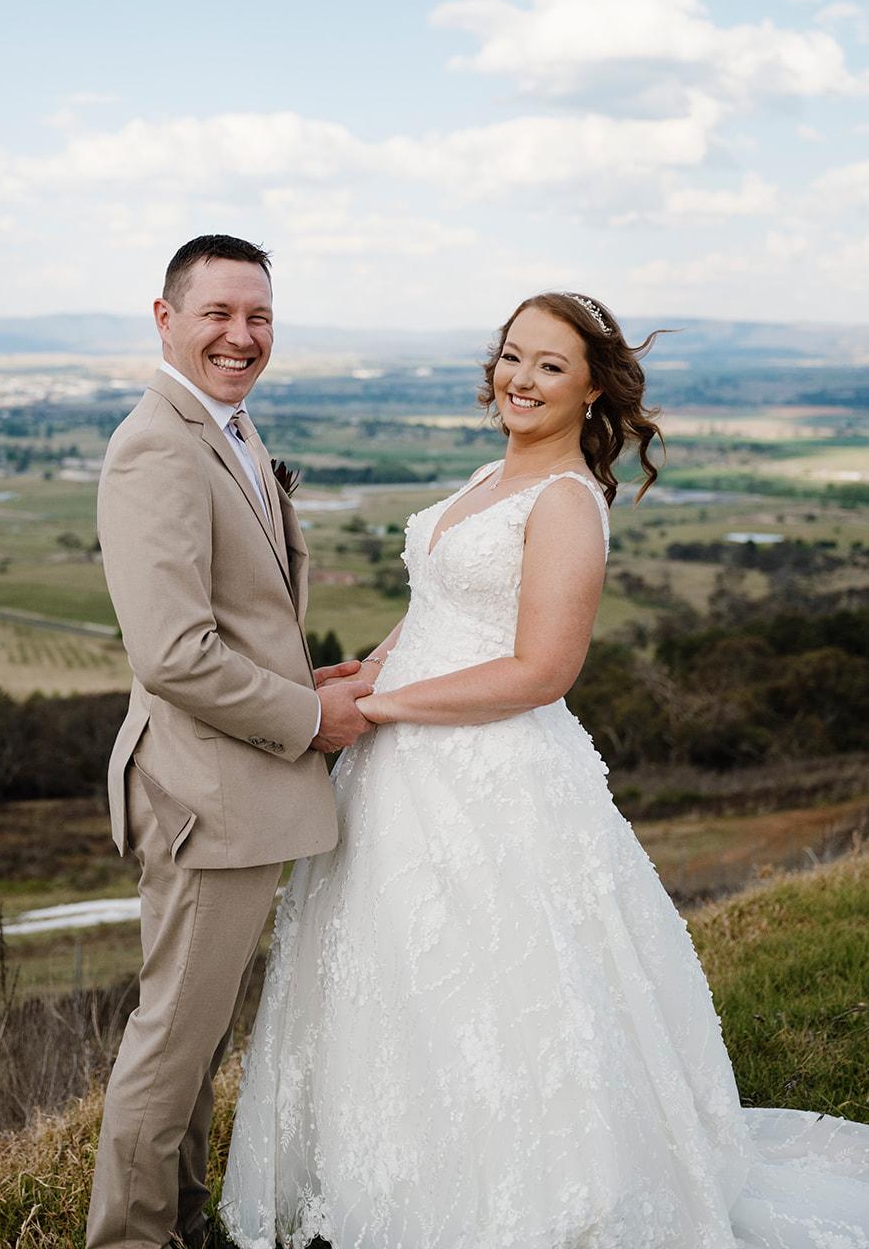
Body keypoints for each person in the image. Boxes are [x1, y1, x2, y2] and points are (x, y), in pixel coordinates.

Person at [221, 291, 869, 1249]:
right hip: (406, 766)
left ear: (593, 388)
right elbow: (438, 608)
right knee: (400, 978)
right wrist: (365, 667)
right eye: (512, 357)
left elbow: (540, 670)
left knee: (505, 991)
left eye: (550, 366)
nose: (520, 379)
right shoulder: (492, 473)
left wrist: (381, 708)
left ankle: (534, 1196)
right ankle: (390, 1177)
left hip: (495, 778)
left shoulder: (566, 502)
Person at [87, 234, 371, 1249]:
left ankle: (185, 1224)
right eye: (216, 313)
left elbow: (236, 619)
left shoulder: (229, 430)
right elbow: (172, 653)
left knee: (196, 1039)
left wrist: (309, 679)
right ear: (164, 318)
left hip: (234, 781)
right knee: (170, 1043)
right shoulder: (156, 444)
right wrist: (310, 718)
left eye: (256, 316)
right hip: (206, 795)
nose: (239, 335)